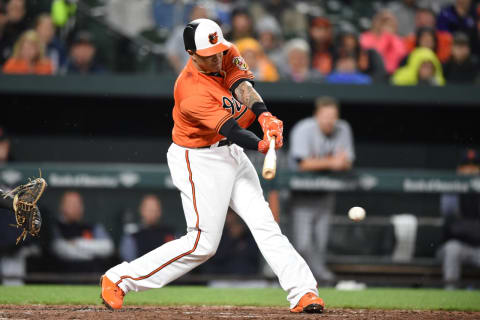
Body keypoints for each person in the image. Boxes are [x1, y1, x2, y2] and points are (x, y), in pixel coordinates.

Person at [101, 18, 325, 314]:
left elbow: (242, 85)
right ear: (191, 54)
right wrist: (261, 144)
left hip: (229, 152)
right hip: (198, 159)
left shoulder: (225, 49)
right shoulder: (190, 90)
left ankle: (303, 292)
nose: (217, 57)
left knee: (264, 223)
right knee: (202, 244)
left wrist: (264, 116)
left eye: (219, 51)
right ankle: (120, 278)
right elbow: (231, 129)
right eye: (209, 55)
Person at [288, 96, 355, 282]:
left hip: (325, 194)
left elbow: (347, 162)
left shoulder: (343, 128)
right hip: (302, 194)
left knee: (322, 242)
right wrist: (333, 162)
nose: (329, 120)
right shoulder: (304, 129)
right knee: (303, 244)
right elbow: (302, 164)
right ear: (316, 115)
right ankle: (310, 278)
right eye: (325, 116)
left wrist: (330, 163)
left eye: (333, 116)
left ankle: (315, 279)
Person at [439, 148, 480, 289]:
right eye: (466, 166)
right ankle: (450, 292)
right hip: (458, 245)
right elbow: (448, 214)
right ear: (459, 169)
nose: (470, 170)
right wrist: (460, 185)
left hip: (478, 247)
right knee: (452, 249)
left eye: (474, 166)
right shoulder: (452, 190)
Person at [51, 191, 114, 273]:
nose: (75, 207)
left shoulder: (92, 227)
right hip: (64, 277)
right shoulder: (56, 227)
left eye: (78, 204)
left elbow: (108, 247)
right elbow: (61, 250)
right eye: (71, 204)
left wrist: (77, 243)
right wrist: (92, 253)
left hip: (92, 276)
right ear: (62, 207)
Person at [202, 209, 260, 275]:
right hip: (222, 277)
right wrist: (232, 240)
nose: (229, 217)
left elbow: (254, 256)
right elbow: (217, 258)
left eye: (232, 214)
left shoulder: (247, 234)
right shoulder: (218, 234)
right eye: (227, 214)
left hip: (247, 277)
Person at [119, 195, 175, 262]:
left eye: (155, 210)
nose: (152, 213)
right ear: (142, 210)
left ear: (160, 211)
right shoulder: (133, 234)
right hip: (140, 270)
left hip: (166, 269)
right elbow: (129, 259)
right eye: (149, 210)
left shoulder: (170, 233)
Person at [165, 4, 209, 74]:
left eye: (203, 16)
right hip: (188, 73)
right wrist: (181, 71)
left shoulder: (212, 34)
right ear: (191, 16)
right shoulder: (180, 32)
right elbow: (171, 52)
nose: (200, 18)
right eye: (197, 15)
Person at [0, 0, 28, 65]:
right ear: (7, 8)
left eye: (18, 9)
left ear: (23, 12)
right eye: (13, 8)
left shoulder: (26, 30)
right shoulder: (2, 26)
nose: (15, 12)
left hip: (17, 69)